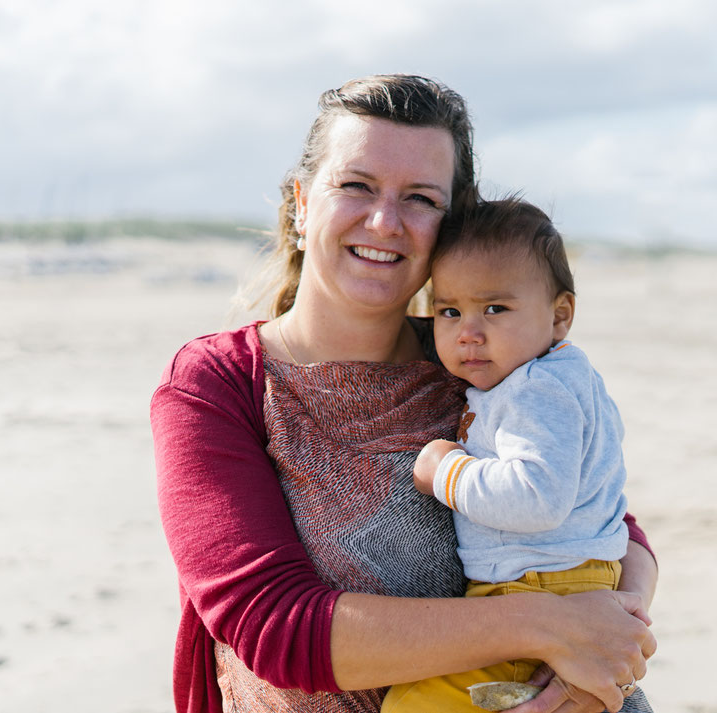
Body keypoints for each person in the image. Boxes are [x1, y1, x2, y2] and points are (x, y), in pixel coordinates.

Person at [150, 75, 658, 713]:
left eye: (420, 198)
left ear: (452, 224)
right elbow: (271, 625)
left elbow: (605, 516)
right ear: (303, 203)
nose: (385, 221)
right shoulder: (218, 384)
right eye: (356, 185)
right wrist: (551, 625)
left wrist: (604, 656)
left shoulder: (477, 359)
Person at [381, 199, 651, 713]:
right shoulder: (560, 377)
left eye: (495, 309)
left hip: (539, 587)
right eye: (450, 310)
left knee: (412, 705)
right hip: (563, 581)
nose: (469, 332)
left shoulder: (535, 390)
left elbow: (536, 498)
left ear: (559, 316)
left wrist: (446, 471)